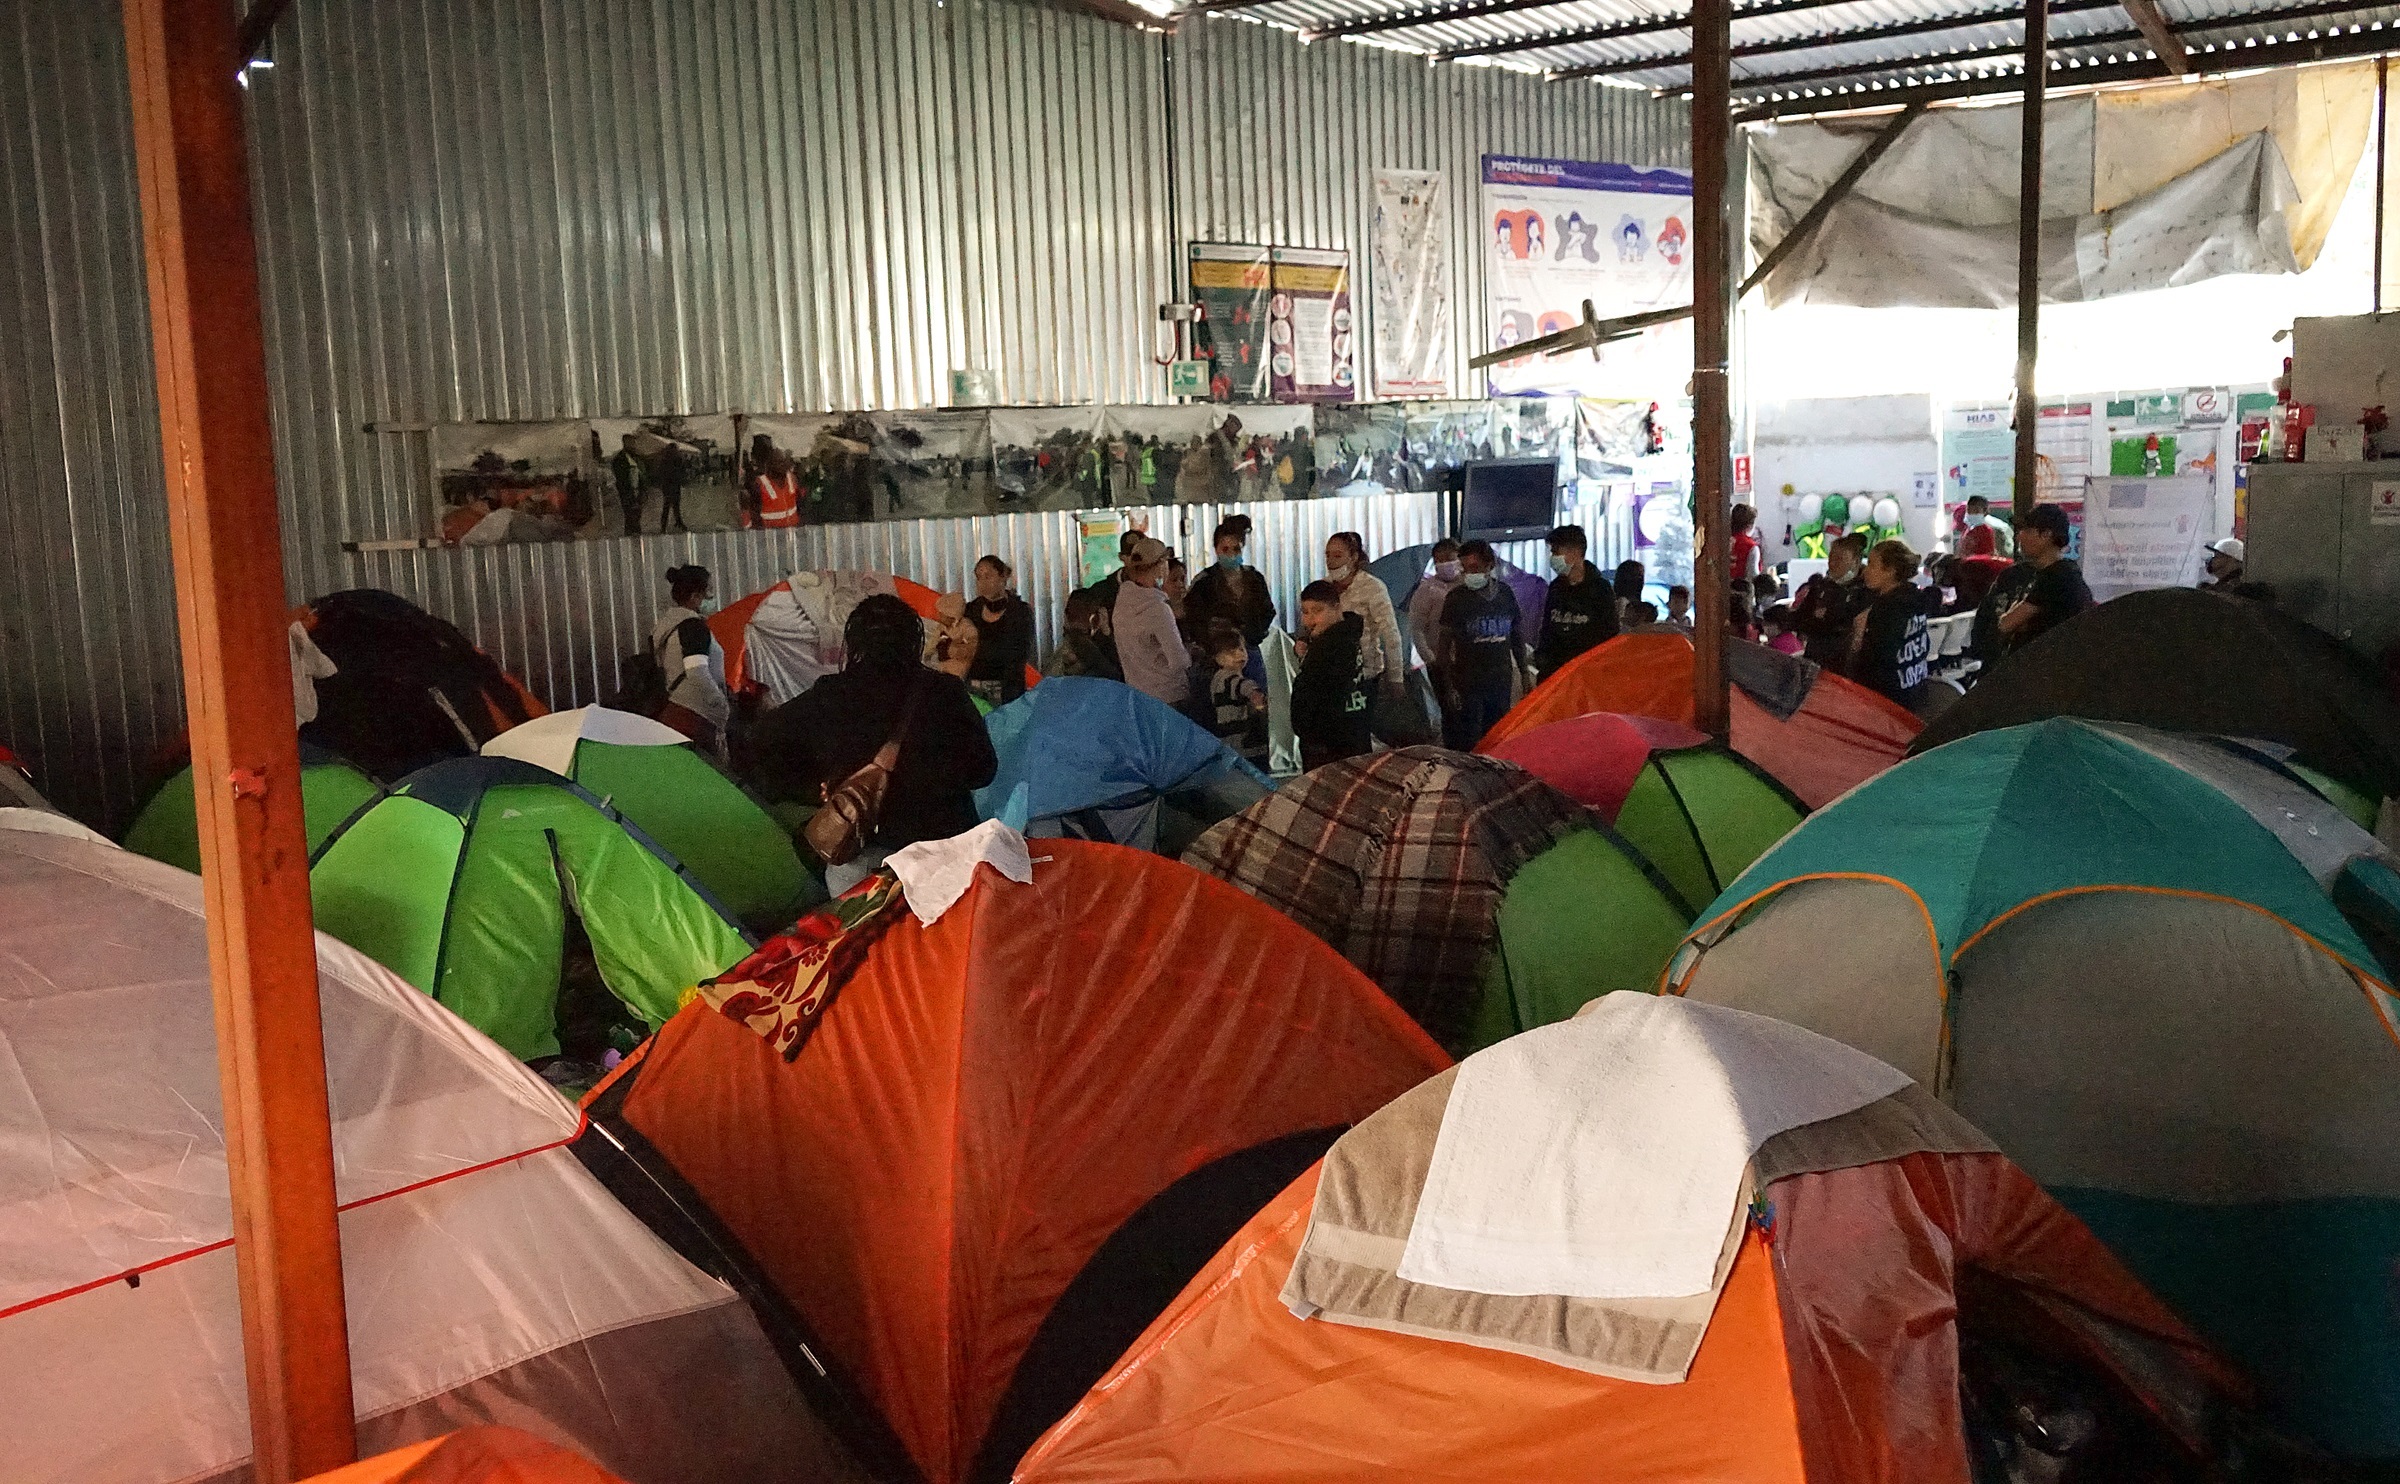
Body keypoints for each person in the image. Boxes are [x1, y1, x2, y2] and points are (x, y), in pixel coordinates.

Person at [746, 595, 996, 894]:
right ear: (913, 640)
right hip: (945, 854)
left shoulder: (831, 694)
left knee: (862, 940)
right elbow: (984, 770)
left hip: (864, 859)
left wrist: (816, 788)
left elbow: (761, 743)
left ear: (855, 641)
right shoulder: (945, 692)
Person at [1436, 539, 1528, 751]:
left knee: (1498, 737)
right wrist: (1448, 687)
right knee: (1469, 740)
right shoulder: (1456, 599)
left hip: (1500, 680)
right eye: (1466, 569)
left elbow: (1516, 636)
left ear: (1490, 566)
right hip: (1468, 683)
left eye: (1475, 568)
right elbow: (1443, 648)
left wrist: (1524, 674)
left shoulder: (1505, 594)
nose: (1470, 574)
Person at [1292, 582, 1372, 771]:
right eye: (1305, 612)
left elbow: (1322, 690)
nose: (1310, 619)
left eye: (1317, 611)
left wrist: (1308, 730)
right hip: (1348, 734)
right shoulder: (1345, 637)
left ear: (1337, 607)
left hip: (1329, 743)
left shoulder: (1332, 644)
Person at [1850, 539, 1935, 711]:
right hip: (1915, 689)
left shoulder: (1886, 608)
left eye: (1872, 565)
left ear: (1890, 571)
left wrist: (1858, 639)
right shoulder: (1917, 599)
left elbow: (1877, 659)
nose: (1865, 571)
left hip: (1888, 700)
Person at [651, 565, 729, 751]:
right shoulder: (693, 627)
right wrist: (720, 703)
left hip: (674, 710)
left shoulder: (666, 624)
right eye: (708, 593)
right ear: (695, 597)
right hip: (696, 717)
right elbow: (697, 672)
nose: (711, 598)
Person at [1999, 504, 2093, 653]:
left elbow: (2006, 624)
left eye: (2027, 531)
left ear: (2046, 535)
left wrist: (2022, 622)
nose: (2019, 536)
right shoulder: (2066, 571)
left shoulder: (2056, 576)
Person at [1324, 531, 1405, 699]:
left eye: (1338, 556)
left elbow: (1391, 634)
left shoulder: (1372, 587)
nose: (1331, 562)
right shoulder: (1324, 587)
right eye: (1328, 555)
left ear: (1353, 557)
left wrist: (1396, 678)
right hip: (1331, 673)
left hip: (1366, 673)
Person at [1534, 524, 1618, 680]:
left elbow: (1609, 635)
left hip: (1588, 676)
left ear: (1575, 551)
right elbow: (1547, 628)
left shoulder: (1600, 590)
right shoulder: (1556, 587)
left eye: (1556, 552)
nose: (1552, 558)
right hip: (1555, 675)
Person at [1114, 536, 1190, 707]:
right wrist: (1192, 654)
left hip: (1137, 695)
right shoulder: (1158, 610)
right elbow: (1179, 661)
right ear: (1160, 566)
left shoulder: (1121, 604)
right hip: (1170, 696)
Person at [1184, 515, 1277, 654]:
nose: (1232, 555)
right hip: (1216, 654)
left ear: (1242, 547)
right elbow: (1193, 620)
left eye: (1236, 549)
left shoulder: (1255, 579)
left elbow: (1268, 611)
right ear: (1216, 550)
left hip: (1249, 650)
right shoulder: (1203, 583)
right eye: (1225, 549)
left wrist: (1253, 636)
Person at [1790, 533, 1869, 670]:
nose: (1832, 563)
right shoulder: (1821, 586)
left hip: (1845, 664)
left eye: (1839, 559)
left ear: (1855, 561)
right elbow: (1801, 618)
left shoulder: (1864, 591)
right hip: (1815, 658)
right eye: (1831, 557)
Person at [964, 555, 1035, 706]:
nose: (982, 583)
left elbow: (1019, 655)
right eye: (978, 577)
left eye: (988, 576)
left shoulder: (1020, 612)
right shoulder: (970, 610)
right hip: (972, 689)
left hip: (1008, 691)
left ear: (1003, 577)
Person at [1203, 621, 1269, 768]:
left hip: (1231, 743)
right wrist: (1257, 699)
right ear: (1218, 658)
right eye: (1232, 652)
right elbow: (1244, 687)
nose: (1240, 655)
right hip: (1246, 745)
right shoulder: (1230, 679)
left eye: (1241, 649)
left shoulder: (1217, 679)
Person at [1407, 538, 1464, 668]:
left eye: (1449, 559)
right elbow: (1417, 628)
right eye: (1439, 561)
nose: (1444, 564)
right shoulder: (1426, 590)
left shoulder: (1469, 585)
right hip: (1439, 660)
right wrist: (1430, 659)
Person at [1043, 588, 1120, 680]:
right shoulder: (1065, 652)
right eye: (1069, 614)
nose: (1070, 622)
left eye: (1076, 615)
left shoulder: (1112, 652)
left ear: (1100, 617)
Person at [752, 440, 801, 530]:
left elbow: (799, 503)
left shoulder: (792, 479)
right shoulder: (760, 484)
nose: (782, 466)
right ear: (770, 464)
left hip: (793, 530)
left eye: (783, 462)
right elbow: (754, 512)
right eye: (778, 462)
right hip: (770, 534)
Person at [610, 434, 646, 535]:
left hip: (638, 492)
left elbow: (642, 474)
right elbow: (621, 480)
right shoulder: (619, 460)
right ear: (625, 443)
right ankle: (632, 536)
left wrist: (643, 491)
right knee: (630, 517)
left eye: (634, 443)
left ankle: (636, 535)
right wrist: (628, 495)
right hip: (628, 493)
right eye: (632, 443)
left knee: (637, 516)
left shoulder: (636, 458)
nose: (634, 445)